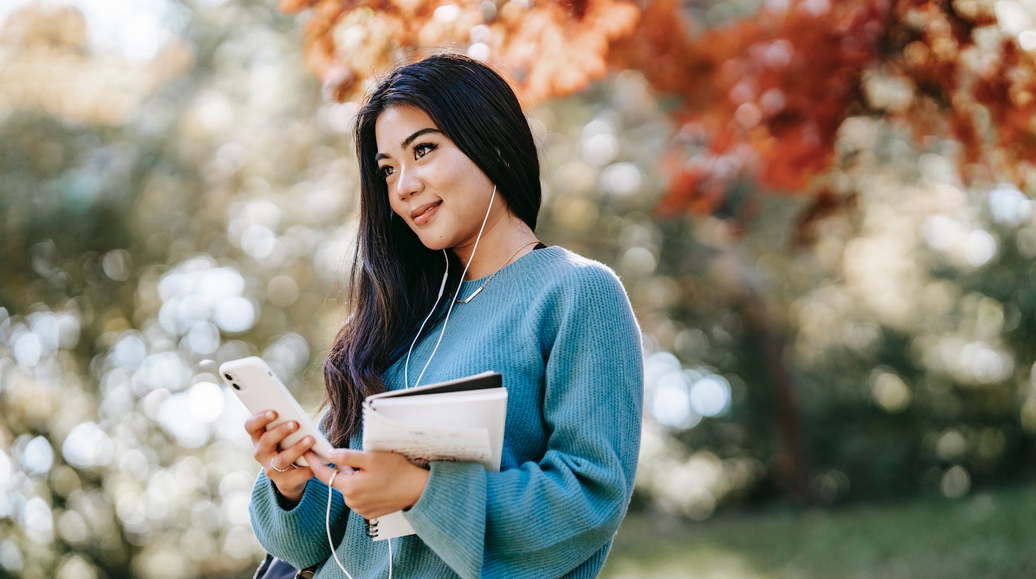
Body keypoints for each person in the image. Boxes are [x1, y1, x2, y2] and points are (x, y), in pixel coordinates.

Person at [244, 52, 643, 579]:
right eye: (387, 169)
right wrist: (292, 481)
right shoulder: (396, 320)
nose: (402, 186)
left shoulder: (576, 292)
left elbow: (589, 500)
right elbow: (306, 546)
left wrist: (421, 490)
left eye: (424, 150)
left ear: (492, 142)